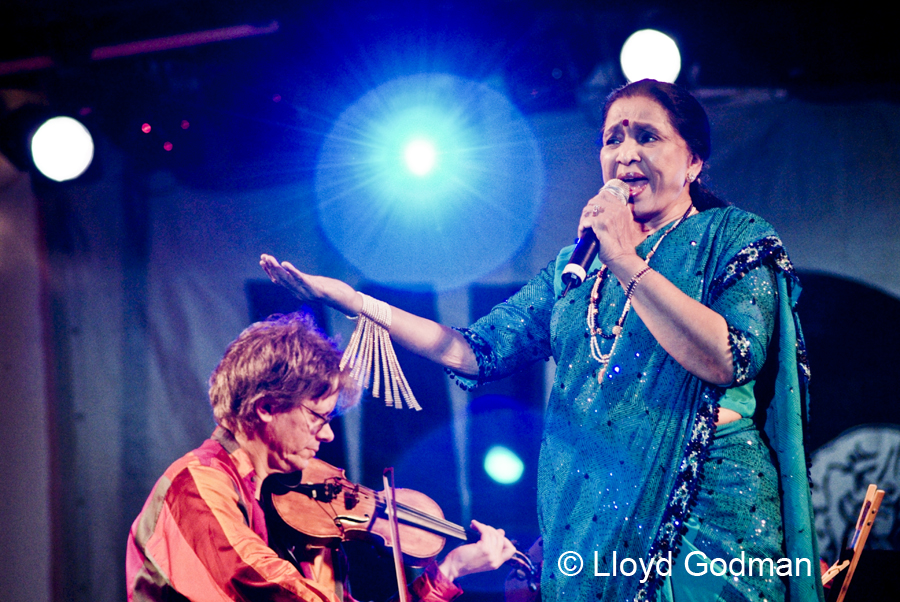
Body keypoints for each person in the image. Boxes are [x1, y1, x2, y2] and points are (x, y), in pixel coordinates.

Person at [260, 79, 824, 602]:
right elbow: (472, 351)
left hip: (704, 508)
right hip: (590, 521)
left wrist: (625, 258)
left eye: (647, 136)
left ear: (694, 161)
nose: (625, 154)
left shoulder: (733, 237)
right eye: (613, 139)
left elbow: (730, 359)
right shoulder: (575, 270)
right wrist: (357, 304)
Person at [126, 312, 516, 602]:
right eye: (317, 417)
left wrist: (450, 570)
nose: (328, 433)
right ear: (267, 406)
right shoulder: (196, 485)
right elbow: (267, 585)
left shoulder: (298, 511)